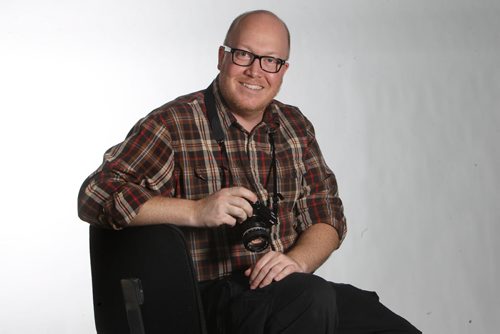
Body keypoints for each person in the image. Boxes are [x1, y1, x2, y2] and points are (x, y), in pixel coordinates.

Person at [78, 9, 421, 334]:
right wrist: (196, 211)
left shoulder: (294, 126)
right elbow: (95, 195)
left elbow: (327, 214)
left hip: (288, 287)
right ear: (222, 57)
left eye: (270, 61)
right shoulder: (172, 123)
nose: (256, 71)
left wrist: (296, 262)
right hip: (204, 300)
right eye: (243, 54)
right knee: (310, 300)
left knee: (386, 326)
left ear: (283, 70)